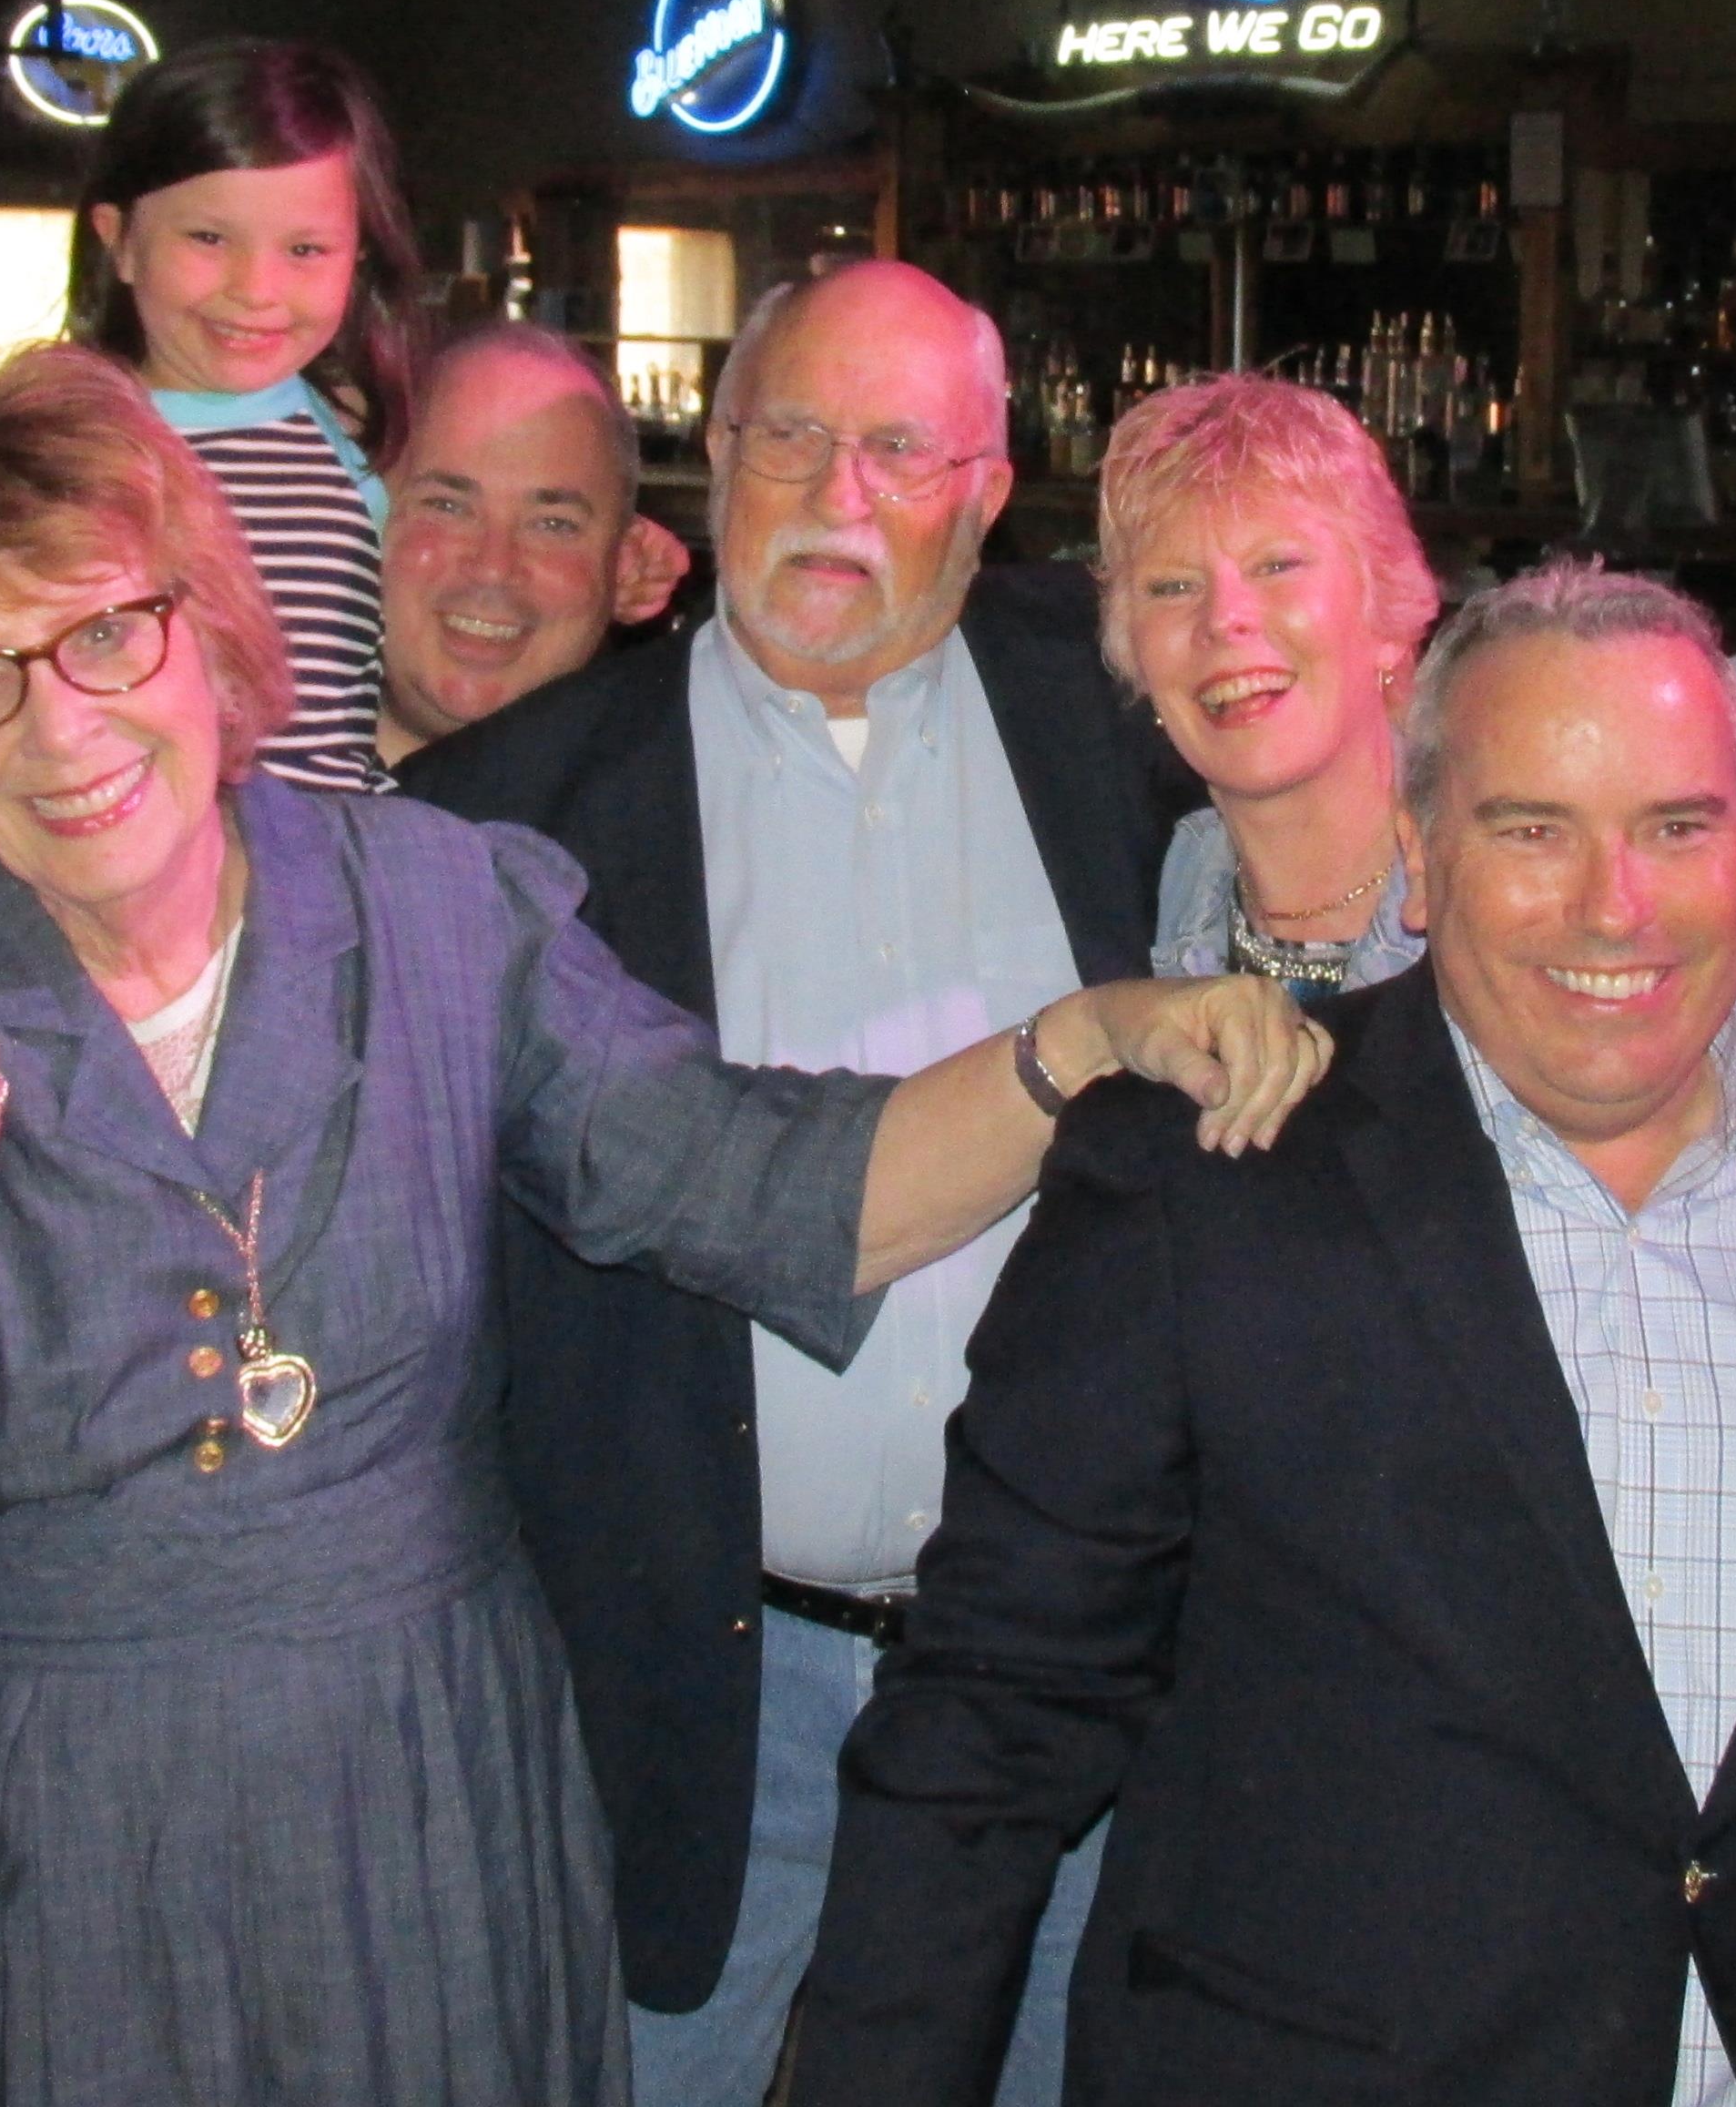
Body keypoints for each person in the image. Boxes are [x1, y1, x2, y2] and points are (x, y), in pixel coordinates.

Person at [0, 343, 1317, 2107]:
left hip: (417, 1806)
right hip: (29, 1826)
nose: (61, 727)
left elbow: (767, 1184)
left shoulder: (433, 904)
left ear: (200, 623)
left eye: (101, 635)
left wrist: (1086, 1037)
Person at [791, 561, 1736, 2105]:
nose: (1611, 905)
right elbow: (989, 1718)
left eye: (1673, 826)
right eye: (1530, 830)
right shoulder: (1201, 1184)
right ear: (1417, 861)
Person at [401, 261, 1194, 2107]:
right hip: (696, 1711)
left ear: (992, 493)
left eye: (902, 448)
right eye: (791, 436)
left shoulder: (1131, 721)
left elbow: (1422, 781)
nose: (838, 493)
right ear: (717, 460)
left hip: (1082, 1688)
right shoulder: (508, 820)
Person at [82, 35, 428, 792]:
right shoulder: (66, 445)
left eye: (305, 250)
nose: (256, 289)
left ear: (359, 258)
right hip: (142, 872)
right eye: (209, 238)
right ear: (121, 241)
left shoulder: (366, 436)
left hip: (334, 868)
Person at [1097, 371, 1437, 996]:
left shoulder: (1491, 887)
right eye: (1173, 587)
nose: (1224, 619)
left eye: (1277, 566)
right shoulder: (1166, 887)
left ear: (1387, 609)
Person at [377, 319, 691, 770]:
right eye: (446, 507)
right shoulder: (246, 808)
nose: (493, 567)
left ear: (624, 564)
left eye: (552, 525)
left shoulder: (685, 822)